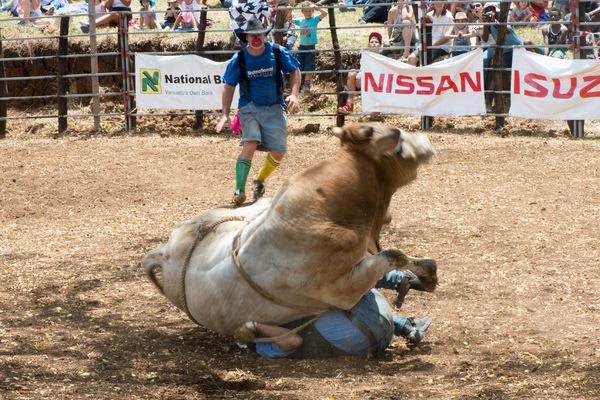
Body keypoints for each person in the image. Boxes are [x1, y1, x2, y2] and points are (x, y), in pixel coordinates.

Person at [236, 270, 433, 358]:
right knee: (337, 279)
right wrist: (256, 327)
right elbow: (294, 341)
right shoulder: (260, 347)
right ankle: (398, 280)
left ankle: (406, 327)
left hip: (379, 337)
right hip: (362, 325)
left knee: (343, 298)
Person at [215, 17, 301, 206]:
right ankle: (239, 190)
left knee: (279, 151)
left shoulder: (277, 52)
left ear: (264, 35)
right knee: (250, 143)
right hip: (249, 107)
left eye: (259, 34)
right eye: (252, 35)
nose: (256, 38)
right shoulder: (239, 59)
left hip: (276, 107)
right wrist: (224, 115)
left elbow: (295, 70)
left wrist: (294, 95)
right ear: (246, 37)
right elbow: (228, 87)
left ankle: (260, 179)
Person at [338, 31, 384, 114]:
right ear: (368, 45)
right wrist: (361, 78)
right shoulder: (365, 57)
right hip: (364, 81)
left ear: (380, 46)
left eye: (376, 42)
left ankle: (376, 106)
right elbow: (363, 69)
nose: (374, 44)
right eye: (371, 42)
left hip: (376, 84)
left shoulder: (382, 59)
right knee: (352, 73)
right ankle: (349, 103)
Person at [287, 1, 328, 93]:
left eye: (309, 11)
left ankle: (307, 85)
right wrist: (289, 11)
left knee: (308, 67)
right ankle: (296, 86)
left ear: (312, 11)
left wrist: (316, 7)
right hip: (301, 47)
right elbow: (290, 20)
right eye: (305, 11)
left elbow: (325, 13)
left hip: (310, 47)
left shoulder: (314, 19)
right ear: (302, 12)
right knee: (298, 67)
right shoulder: (301, 21)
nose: (308, 13)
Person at [405, 1, 453, 67]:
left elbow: (446, 38)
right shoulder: (429, 15)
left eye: (441, 1)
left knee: (426, 59)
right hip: (429, 45)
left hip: (442, 47)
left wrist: (431, 46)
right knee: (411, 58)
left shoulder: (449, 17)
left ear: (444, 3)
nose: (438, 3)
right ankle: (415, 77)